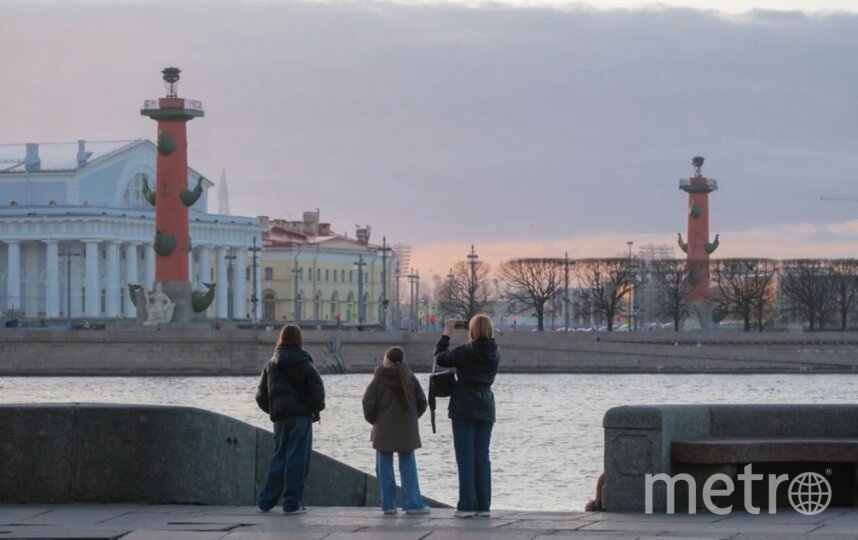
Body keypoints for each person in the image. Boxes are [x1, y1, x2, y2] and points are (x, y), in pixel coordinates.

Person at [255, 324, 326, 515]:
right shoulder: (305, 364)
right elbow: (319, 394)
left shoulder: (271, 364)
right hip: (300, 419)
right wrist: (310, 410)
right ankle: (291, 504)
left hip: (280, 419)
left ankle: (266, 501)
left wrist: (274, 410)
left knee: (278, 458)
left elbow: (260, 396)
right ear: (299, 340)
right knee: (297, 460)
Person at [434, 314, 500, 518]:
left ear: (472, 331)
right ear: (490, 330)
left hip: (464, 408)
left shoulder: (466, 351)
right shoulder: (495, 351)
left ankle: (466, 506)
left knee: (465, 458)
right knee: (482, 458)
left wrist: (446, 334)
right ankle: (483, 506)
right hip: (486, 406)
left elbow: (440, 358)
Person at [362, 346, 431, 516]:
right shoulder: (409, 377)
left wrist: (376, 421)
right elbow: (422, 401)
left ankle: (389, 505)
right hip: (407, 430)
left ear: (387, 360)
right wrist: (411, 419)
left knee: (384, 468)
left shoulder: (379, 378)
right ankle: (413, 504)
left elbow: (367, 401)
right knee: (408, 467)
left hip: (383, 429)